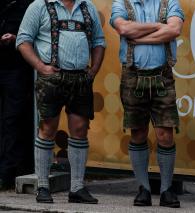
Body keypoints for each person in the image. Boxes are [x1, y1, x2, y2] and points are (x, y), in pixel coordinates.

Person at [16, 0, 106, 204]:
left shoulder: (87, 6)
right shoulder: (39, 5)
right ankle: (43, 186)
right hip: (51, 78)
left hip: (80, 78)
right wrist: (40, 67)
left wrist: (93, 71)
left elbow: (99, 42)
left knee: (80, 128)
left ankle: (77, 188)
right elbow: (22, 40)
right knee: (48, 128)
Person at [110, 0, 184, 208]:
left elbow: (175, 29)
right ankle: (143, 188)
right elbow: (123, 28)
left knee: (165, 134)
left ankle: (166, 190)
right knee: (138, 132)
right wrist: (160, 27)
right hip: (133, 76)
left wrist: (138, 36)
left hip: (163, 76)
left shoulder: (169, 2)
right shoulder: (121, 3)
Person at [0, 0, 34, 190]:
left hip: (17, 67)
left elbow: (38, 34)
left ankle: (8, 172)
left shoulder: (30, 5)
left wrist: (17, 39)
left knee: (12, 119)